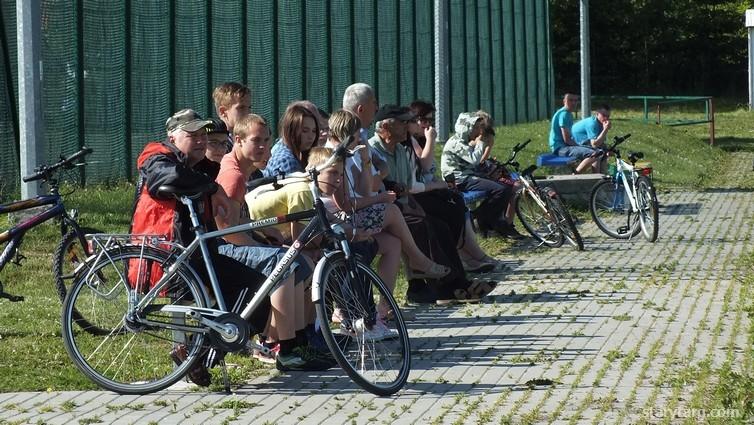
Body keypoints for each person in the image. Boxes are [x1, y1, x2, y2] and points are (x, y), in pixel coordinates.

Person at [130, 108, 271, 386]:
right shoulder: (156, 156)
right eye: (191, 134)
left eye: (202, 134)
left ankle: (197, 354)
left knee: (259, 289)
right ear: (172, 136)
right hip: (166, 257)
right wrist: (212, 187)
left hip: (199, 255)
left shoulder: (205, 167)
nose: (200, 140)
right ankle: (194, 354)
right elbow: (166, 178)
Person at [214, 114, 331, 370]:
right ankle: (285, 348)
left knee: (302, 263)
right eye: (256, 141)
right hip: (223, 250)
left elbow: (240, 222)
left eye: (267, 140)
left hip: (237, 242)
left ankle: (302, 339)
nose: (263, 147)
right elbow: (227, 231)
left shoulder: (242, 172)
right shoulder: (233, 176)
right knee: (285, 263)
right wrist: (262, 246)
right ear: (238, 140)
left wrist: (264, 235)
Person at [370, 105, 496, 305]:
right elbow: (377, 188)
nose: (408, 127)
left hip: (402, 206)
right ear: (386, 126)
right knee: (427, 226)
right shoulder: (372, 150)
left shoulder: (401, 150)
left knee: (442, 225)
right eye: (403, 122)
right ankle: (448, 287)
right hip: (382, 209)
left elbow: (408, 186)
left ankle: (457, 283)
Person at [406, 101, 499, 272]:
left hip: (431, 188)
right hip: (417, 193)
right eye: (424, 120)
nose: (428, 124)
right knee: (452, 208)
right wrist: (431, 140)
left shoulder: (419, 139)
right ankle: (469, 257)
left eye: (431, 120)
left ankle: (470, 256)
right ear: (414, 120)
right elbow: (425, 165)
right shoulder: (411, 140)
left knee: (457, 203)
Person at [441, 111, 523, 239]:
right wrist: (481, 143)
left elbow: (478, 162)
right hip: (459, 180)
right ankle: (481, 217)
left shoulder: (465, 140)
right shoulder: (456, 143)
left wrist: (487, 146)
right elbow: (474, 160)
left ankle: (491, 220)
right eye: (475, 128)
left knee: (505, 186)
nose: (479, 131)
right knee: (500, 189)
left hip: (468, 176)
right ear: (467, 128)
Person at [263, 102, 320, 177]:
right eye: (305, 131)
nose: (311, 136)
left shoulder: (294, 155)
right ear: (291, 130)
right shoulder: (286, 160)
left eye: (314, 131)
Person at [549, 93, 601, 173]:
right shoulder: (564, 114)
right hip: (560, 148)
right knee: (594, 153)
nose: (573, 103)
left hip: (564, 147)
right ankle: (575, 175)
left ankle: (597, 177)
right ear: (564, 101)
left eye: (576, 100)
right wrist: (580, 146)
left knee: (598, 152)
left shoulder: (568, 114)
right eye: (570, 100)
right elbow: (567, 140)